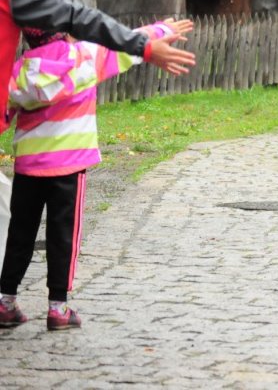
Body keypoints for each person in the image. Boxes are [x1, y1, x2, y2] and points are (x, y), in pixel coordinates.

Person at [0, 18, 191, 330]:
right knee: (63, 237)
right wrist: (164, 29)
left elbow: (4, 106)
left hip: (28, 166)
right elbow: (127, 42)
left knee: (20, 234)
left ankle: (6, 301)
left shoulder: (19, 70)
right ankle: (58, 308)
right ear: (64, 31)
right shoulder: (84, 57)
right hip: (69, 166)